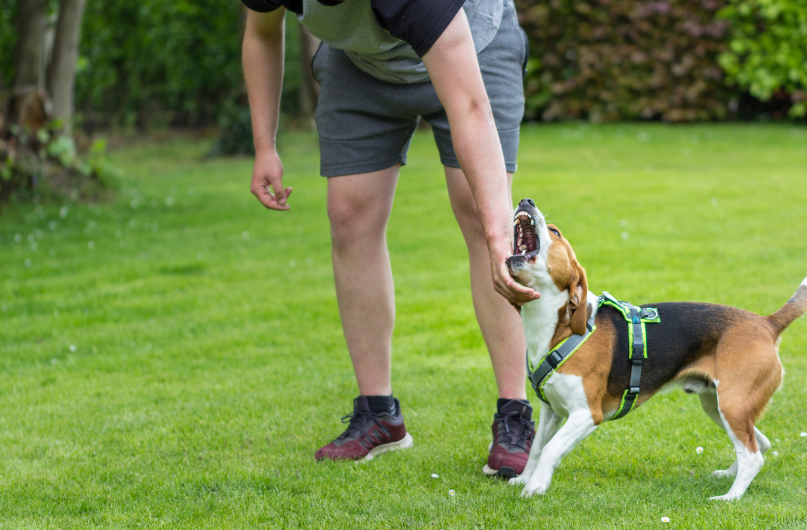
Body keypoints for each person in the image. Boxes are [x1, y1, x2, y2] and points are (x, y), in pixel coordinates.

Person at [241, 0, 542, 477]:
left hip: (473, 46)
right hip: (361, 62)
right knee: (349, 215)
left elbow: (467, 104)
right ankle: (379, 414)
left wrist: (497, 234)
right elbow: (260, 32)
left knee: (480, 209)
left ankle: (514, 414)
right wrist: (264, 145)